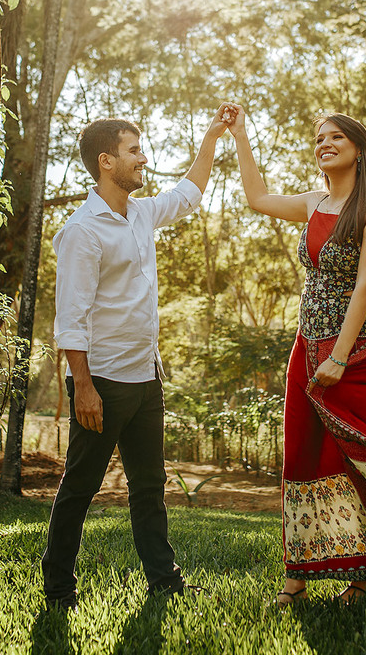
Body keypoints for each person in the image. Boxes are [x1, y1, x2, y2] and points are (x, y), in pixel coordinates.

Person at [225, 105, 366, 605]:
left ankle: (363, 577)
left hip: (360, 350)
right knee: (302, 452)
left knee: (357, 455)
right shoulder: (312, 203)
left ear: (357, 149)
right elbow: (257, 198)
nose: (323, 143)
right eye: (318, 137)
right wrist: (240, 134)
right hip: (309, 345)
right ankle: (297, 577)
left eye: (335, 138)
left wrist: (340, 357)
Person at [41, 109, 230, 611]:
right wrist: (81, 386)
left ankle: (165, 581)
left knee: (149, 486)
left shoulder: (141, 212)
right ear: (106, 162)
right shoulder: (82, 231)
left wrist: (210, 135)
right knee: (80, 488)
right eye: (133, 150)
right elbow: (70, 319)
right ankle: (59, 590)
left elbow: (189, 193)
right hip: (101, 381)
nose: (142, 158)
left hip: (146, 377)